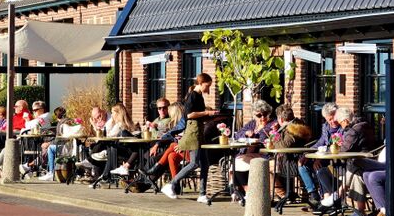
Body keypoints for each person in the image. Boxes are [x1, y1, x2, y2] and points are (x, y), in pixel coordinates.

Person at [161, 73, 219, 203]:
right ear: (201, 83)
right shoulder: (192, 96)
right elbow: (189, 115)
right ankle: (171, 184)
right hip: (193, 133)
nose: (209, 89)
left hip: (199, 132)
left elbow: (199, 115)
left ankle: (202, 194)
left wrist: (211, 116)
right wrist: (207, 113)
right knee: (194, 163)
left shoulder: (199, 96)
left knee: (205, 164)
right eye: (207, 86)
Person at [315, 107, 375, 216]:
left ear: (345, 121)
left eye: (340, 123)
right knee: (355, 174)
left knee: (355, 171)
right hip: (363, 162)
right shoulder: (364, 125)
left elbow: (344, 150)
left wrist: (331, 149)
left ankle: (337, 195)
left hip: (360, 163)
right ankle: (355, 208)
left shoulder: (354, 130)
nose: (341, 126)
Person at [111, 102, 184, 177]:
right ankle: (138, 179)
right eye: (159, 108)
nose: (162, 110)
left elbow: (168, 133)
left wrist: (157, 130)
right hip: (158, 144)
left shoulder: (171, 121)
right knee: (142, 152)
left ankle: (140, 180)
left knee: (147, 154)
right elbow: (167, 134)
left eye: (165, 108)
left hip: (169, 147)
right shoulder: (157, 120)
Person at [231, 100, 277, 199]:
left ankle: (244, 191)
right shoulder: (252, 124)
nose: (263, 117)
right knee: (236, 162)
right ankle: (245, 190)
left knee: (237, 162)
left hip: (263, 154)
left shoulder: (272, 124)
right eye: (259, 115)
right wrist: (246, 133)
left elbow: (264, 139)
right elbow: (238, 134)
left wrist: (255, 135)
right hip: (248, 153)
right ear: (254, 115)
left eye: (265, 114)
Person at [297, 103, 340, 208]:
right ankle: (314, 195)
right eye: (329, 119)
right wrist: (307, 155)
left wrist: (319, 158)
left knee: (320, 168)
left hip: (336, 161)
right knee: (302, 164)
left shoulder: (343, 128)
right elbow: (321, 143)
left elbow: (339, 148)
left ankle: (329, 200)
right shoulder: (326, 127)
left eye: (333, 117)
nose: (332, 121)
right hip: (324, 158)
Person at [269, 104, 312, 199]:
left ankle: (280, 195)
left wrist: (274, 139)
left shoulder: (292, 128)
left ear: (280, 118)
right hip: (291, 160)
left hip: (290, 163)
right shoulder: (297, 124)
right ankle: (280, 194)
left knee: (263, 166)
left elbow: (284, 146)